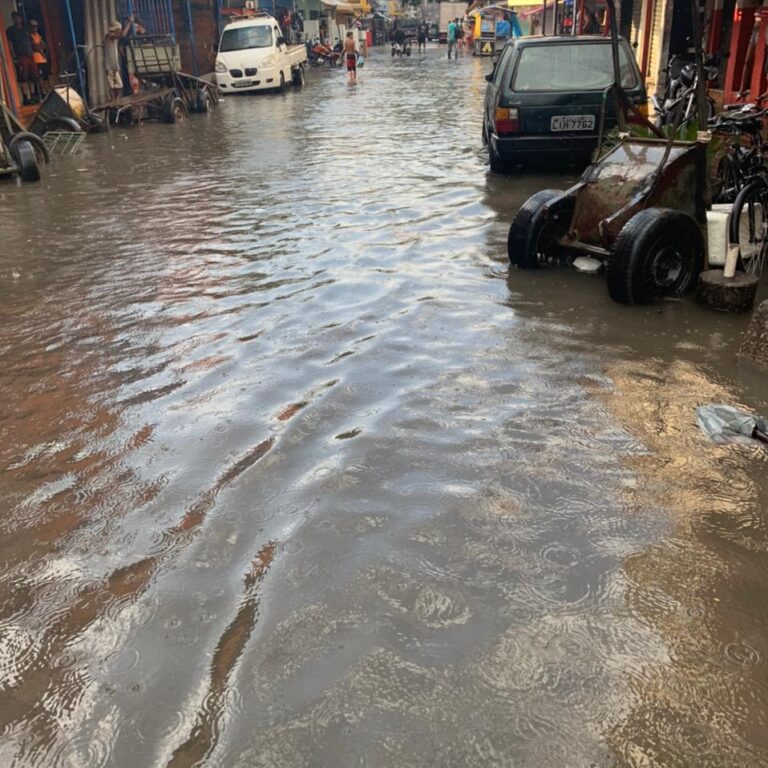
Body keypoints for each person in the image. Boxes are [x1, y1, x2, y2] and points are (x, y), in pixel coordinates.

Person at [6, 12, 35, 105]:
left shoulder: (25, 30)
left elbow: (31, 42)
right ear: (13, 19)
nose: (17, 20)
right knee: (23, 77)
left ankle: (33, 94)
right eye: (15, 18)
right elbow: (10, 43)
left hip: (29, 55)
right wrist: (13, 55)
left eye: (18, 18)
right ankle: (25, 96)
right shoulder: (11, 30)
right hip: (20, 56)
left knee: (32, 76)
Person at [104, 21, 124, 101]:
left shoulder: (114, 38)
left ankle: (115, 100)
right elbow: (117, 35)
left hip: (115, 65)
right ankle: (113, 100)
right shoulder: (108, 36)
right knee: (112, 85)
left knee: (119, 85)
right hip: (109, 66)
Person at [29, 20, 48, 98]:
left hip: (43, 59)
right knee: (37, 77)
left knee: (45, 76)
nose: (35, 28)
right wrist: (39, 47)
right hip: (35, 59)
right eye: (33, 26)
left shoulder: (38, 35)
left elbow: (44, 45)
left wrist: (40, 46)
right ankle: (41, 92)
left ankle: (46, 91)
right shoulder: (29, 36)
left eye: (36, 26)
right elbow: (35, 47)